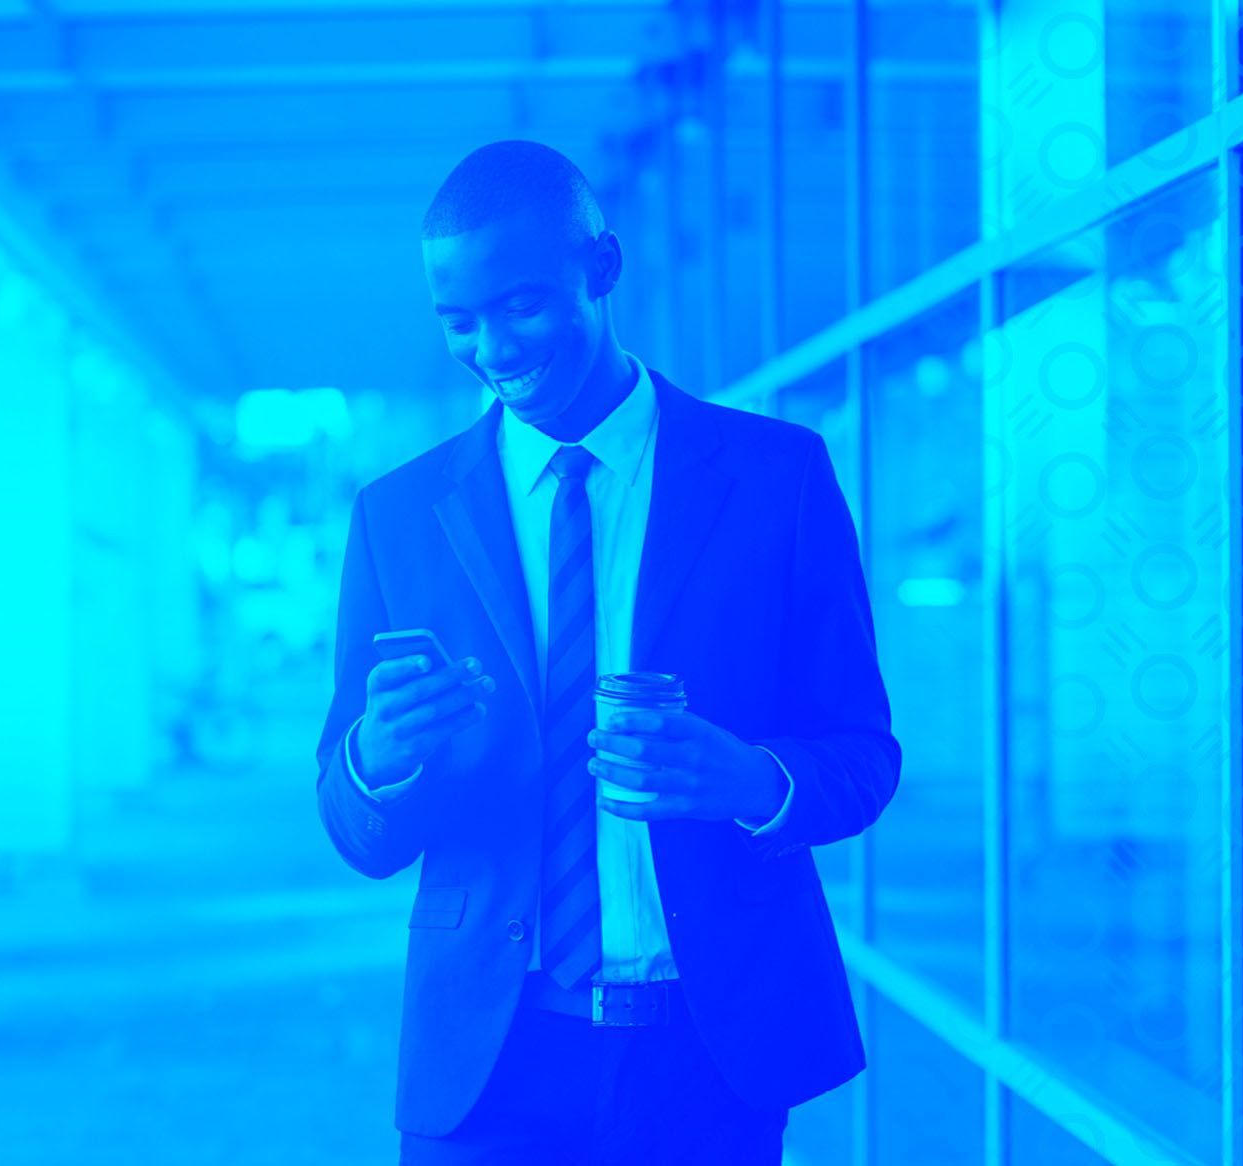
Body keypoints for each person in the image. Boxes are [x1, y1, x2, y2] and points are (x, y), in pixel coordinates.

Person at [313, 139, 899, 1165]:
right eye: (459, 321)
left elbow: (865, 754)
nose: (493, 349)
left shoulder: (777, 480)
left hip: (706, 1050)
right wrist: (378, 753)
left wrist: (754, 778)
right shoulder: (398, 517)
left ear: (603, 267)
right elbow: (357, 825)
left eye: (522, 307)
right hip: (486, 1056)